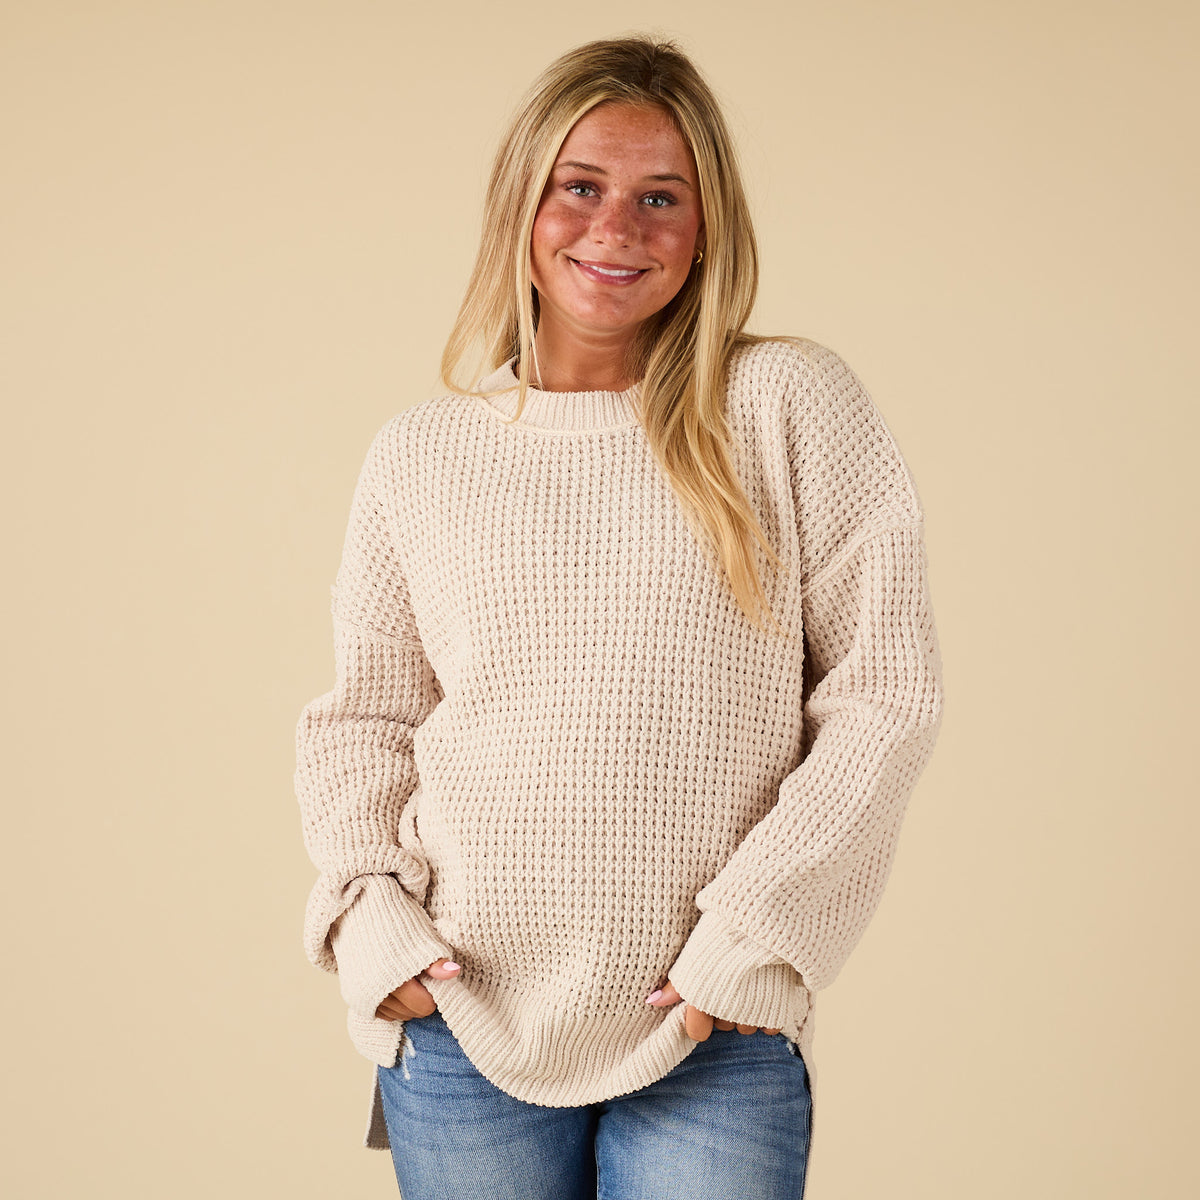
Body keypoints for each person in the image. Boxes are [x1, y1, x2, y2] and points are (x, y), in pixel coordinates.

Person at [294, 34, 943, 1200]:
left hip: (717, 1024)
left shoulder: (788, 404)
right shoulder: (421, 455)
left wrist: (753, 936)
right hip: (462, 1016)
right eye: (580, 189)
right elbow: (366, 720)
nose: (617, 229)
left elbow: (883, 698)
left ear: (708, 229)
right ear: (522, 207)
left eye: (662, 198)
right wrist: (368, 918)